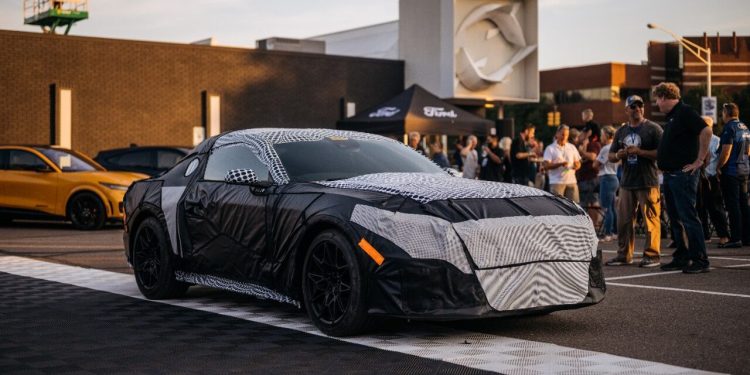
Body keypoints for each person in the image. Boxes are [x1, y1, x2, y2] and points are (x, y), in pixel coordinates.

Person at [655, 82, 712, 274]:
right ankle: (682, 256)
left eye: (657, 99)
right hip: (671, 175)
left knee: (688, 217)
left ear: (663, 97)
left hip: (683, 175)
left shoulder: (685, 111)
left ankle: (700, 259)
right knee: (675, 218)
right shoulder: (672, 117)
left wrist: (699, 160)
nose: (657, 104)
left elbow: (706, 130)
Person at [605, 95, 663, 267]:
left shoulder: (653, 128)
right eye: (633, 106)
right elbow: (610, 156)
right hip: (627, 182)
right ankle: (624, 255)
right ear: (626, 110)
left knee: (650, 220)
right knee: (623, 221)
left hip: (648, 181)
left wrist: (640, 151)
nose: (637, 108)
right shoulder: (621, 131)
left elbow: (662, 153)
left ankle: (652, 255)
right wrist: (619, 155)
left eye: (640, 105)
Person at [716, 103, 750, 248]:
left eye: (722, 113)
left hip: (731, 171)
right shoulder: (745, 128)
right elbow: (748, 151)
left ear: (727, 113)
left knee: (733, 205)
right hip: (744, 170)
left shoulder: (729, 128)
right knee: (744, 204)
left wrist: (718, 167)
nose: (722, 116)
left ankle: (736, 237)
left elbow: (726, 151)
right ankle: (746, 237)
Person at [696, 116, 730, 246]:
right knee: (700, 207)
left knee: (715, 207)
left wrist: (718, 170)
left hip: (711, 177)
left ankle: (723, 235)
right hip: (699, 177)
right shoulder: (696, 139)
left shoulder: (717, 140)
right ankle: (704, 235)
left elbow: (723, 156)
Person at [594, 125, 619, 242]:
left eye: (602, 134)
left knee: (607, 208)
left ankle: (608, 233)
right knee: (613, 208)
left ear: (607, 135)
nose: (600, 137)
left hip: (606, 177)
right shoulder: (615, 147)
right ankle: (614, 232)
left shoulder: (605, 148)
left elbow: (596, 164)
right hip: (614, 177)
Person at [543, 125, 581, 202]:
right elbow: (546, 166)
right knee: (558, 208)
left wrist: (577, 166)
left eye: (566, 135)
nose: (564, 137)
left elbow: (578, 163)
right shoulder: (550, 148)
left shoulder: (572, 147)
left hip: (572, 181)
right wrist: (560, 164)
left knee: (574, 207)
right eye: (562, 134)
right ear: (557, 134)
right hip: (556, 182)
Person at [575, 125, 602, 212]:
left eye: (582, 133)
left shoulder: (593, 144)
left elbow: (593, 156)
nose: (580, 135)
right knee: (584, 205)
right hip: (583, 178)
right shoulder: (582, 145)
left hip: (590, 178)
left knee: (592, 203)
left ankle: (595, 225)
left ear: (587, 134)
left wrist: (582, 151)